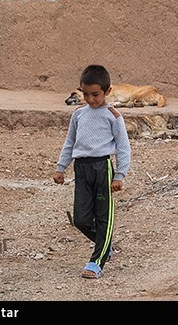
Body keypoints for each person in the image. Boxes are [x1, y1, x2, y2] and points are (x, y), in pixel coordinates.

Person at [53, 64, 131, 279]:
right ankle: (105, 244)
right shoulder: (78, 115)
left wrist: (119, 175)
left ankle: (97, 261)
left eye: (95, 94)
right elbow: (70, 143)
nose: (90, 99)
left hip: (102, 168)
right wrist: (61, 168)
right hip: (82, 168)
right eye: (85, 94)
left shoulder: (113, 116)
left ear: (107, 92)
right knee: (81, 219)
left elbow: (123, 148)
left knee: (103, 216)